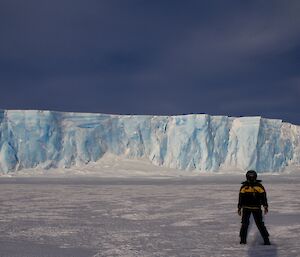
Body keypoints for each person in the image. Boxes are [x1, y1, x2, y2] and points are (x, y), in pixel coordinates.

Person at [238, 170, 270, 245]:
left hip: (255, 208)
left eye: (252, 176)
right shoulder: (245, 187)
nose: (251, 178)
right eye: (250, 176)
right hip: (248, 208)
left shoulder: (258, 187)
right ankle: (243, 240)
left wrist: (265, 206)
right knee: (246, 224)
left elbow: (263, 197)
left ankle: (266, 240)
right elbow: (241, 198)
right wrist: (239, 207)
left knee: (257, 224)